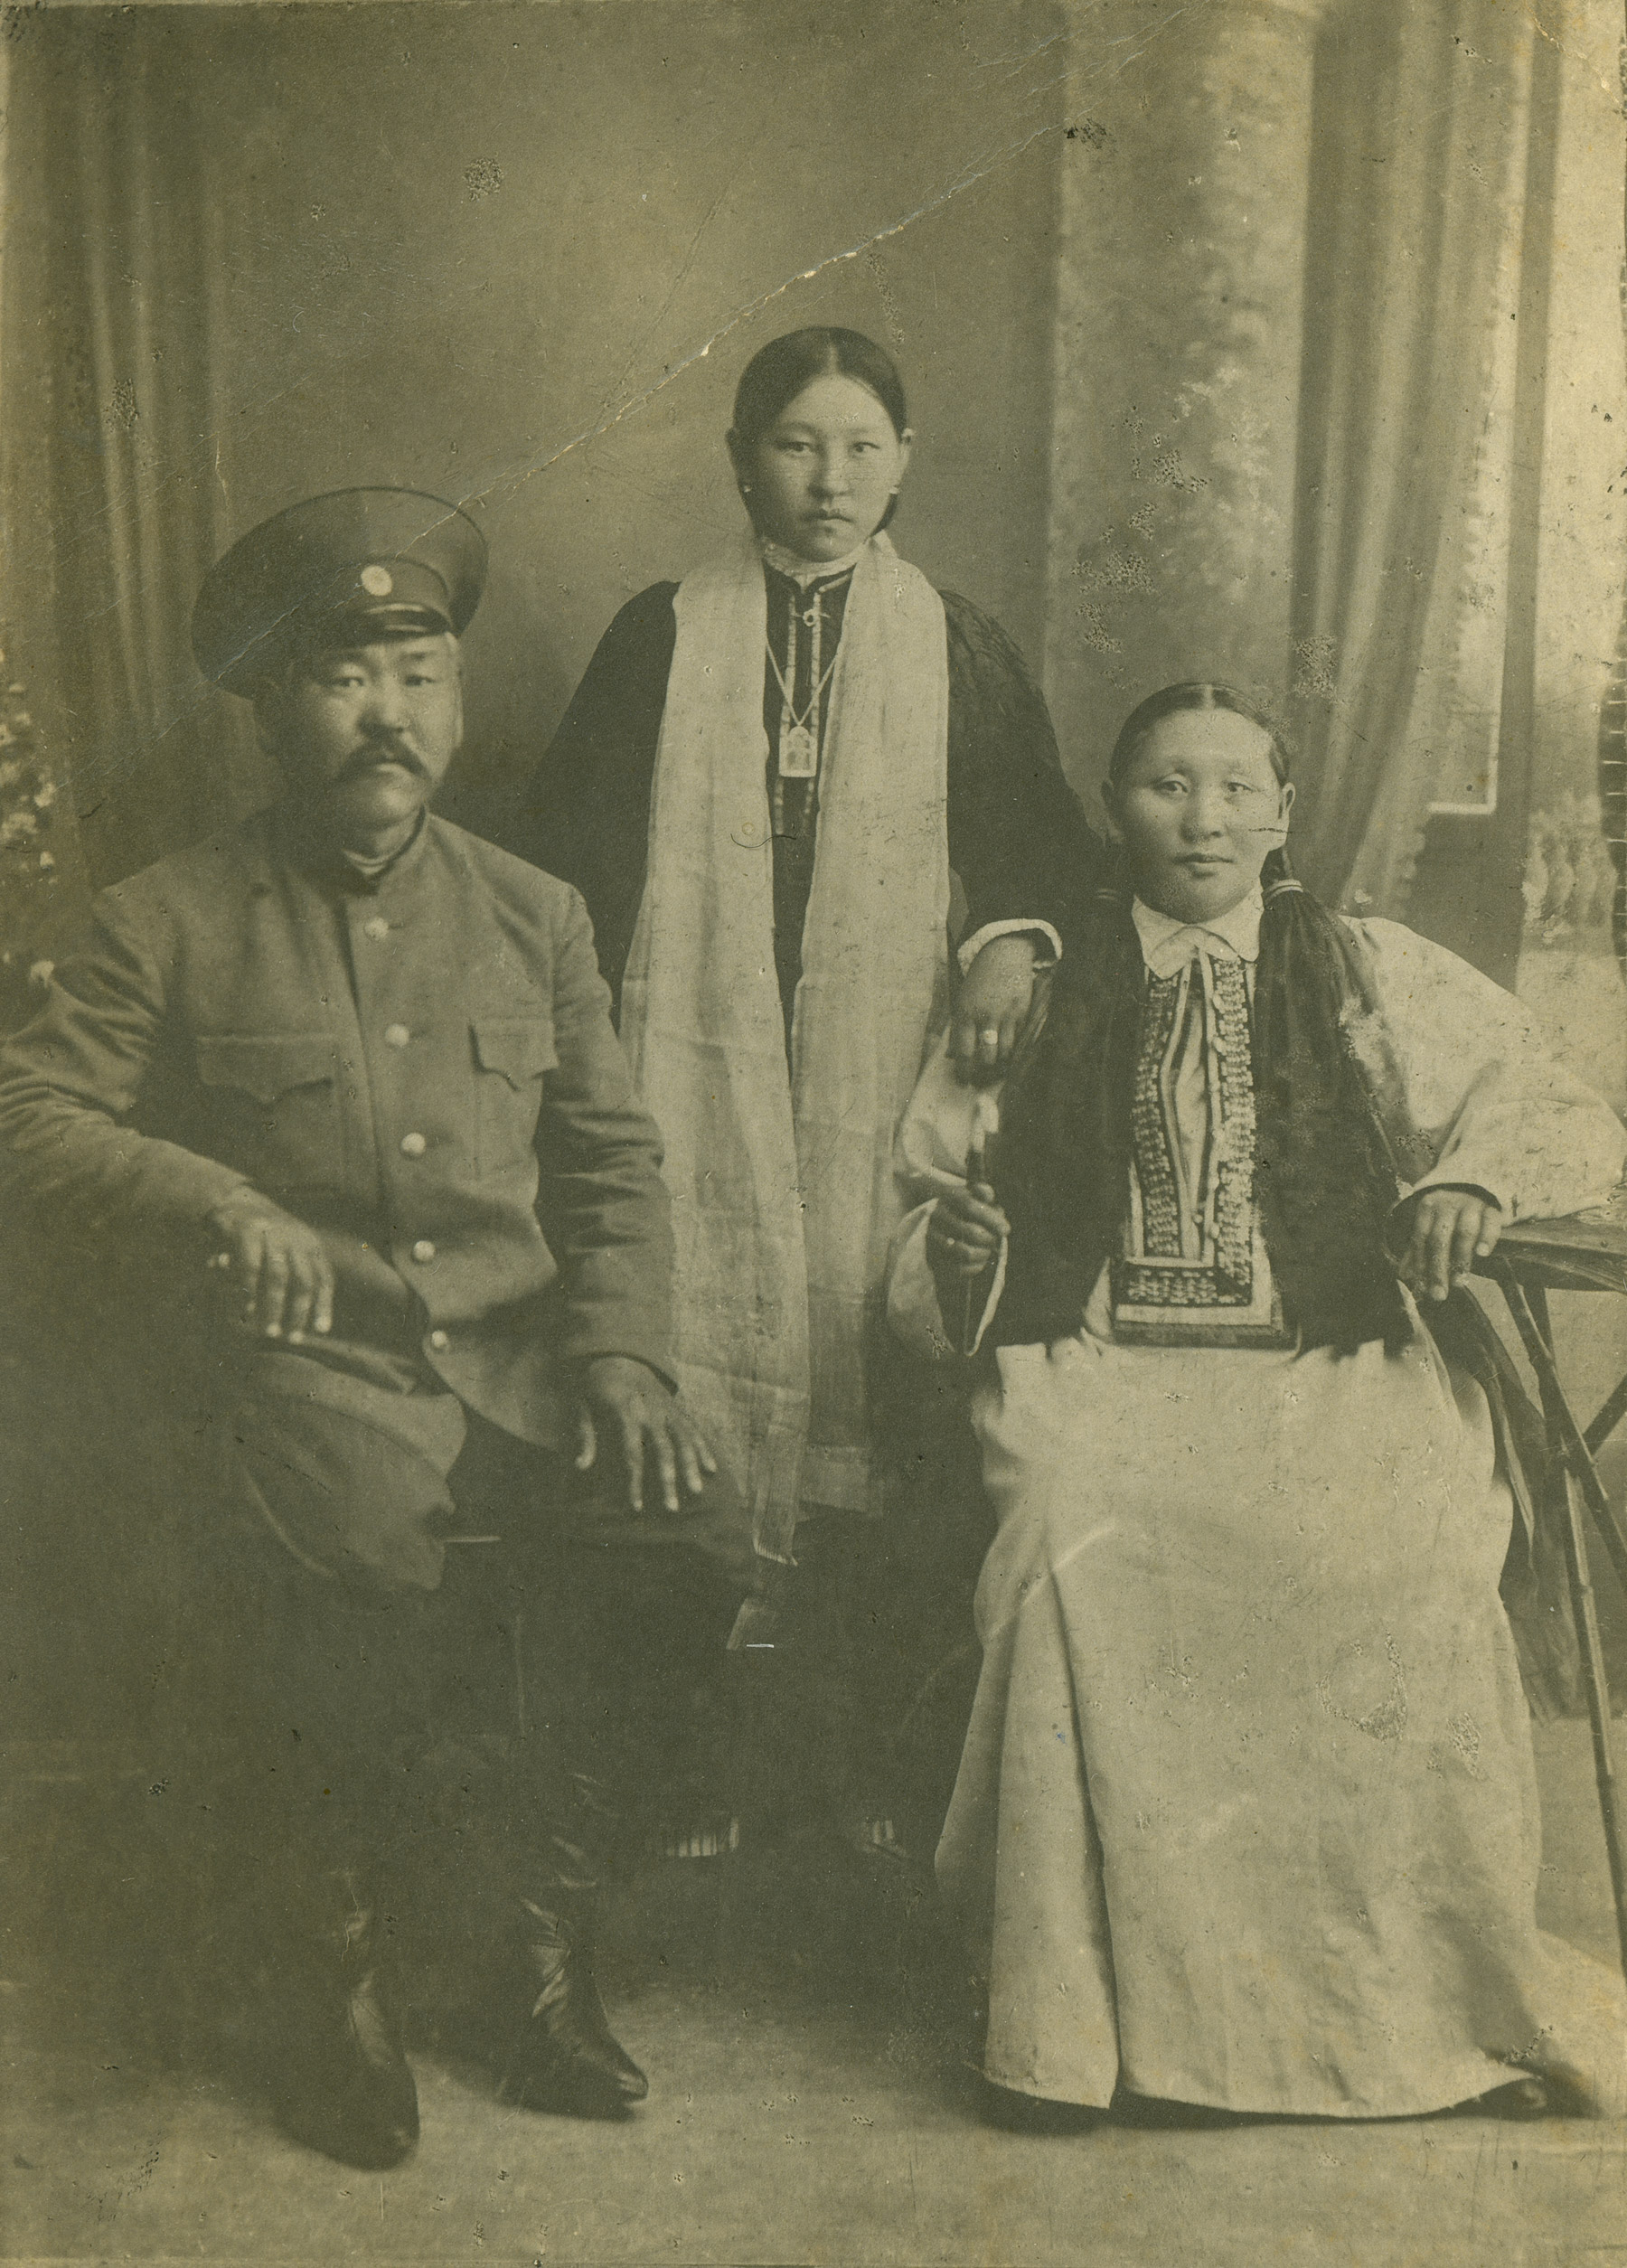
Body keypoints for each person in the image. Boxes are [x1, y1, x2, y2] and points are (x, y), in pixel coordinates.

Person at [0, 489, 748, 2169]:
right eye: (345, 679)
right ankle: (325, 1971)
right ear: (274, 708)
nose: (386, 715)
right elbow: (25, 1112)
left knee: (687, 1533)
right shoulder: (164, 915)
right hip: (306, 1364)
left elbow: (610, 1166)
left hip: (529, 1358)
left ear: (457, 702)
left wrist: (626, 1357)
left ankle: (526, 1948)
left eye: (418, 674)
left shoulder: (536, 912)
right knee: (348, 1567)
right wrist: (219, 1200)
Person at [886, 680, 1627, 2126]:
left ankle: (1411, 2011)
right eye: (1168, 784)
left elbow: (1551, 1101)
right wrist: (956, 1252)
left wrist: (1472, 1177)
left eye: (1236, 788)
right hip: (1098, 1358)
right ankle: (1078, 2029)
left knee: (1414, 1545)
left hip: (1333, 1358)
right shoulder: (1040, 982)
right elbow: (924, 1198)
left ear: (1284, 812)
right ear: (1117, 810)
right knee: (1075, 1537)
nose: (1203, 818)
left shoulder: (1363, 966)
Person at [508, 327, 1105, 1840]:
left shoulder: (955, 642)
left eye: (860, 448)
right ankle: (672, 1775)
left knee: (871, 1359)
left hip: (883, 1058)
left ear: (903, 465)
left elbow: (1039, 853)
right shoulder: (662, 633)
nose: (829, 479)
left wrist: (1009, 941)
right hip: (689, 1050)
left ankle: (852, 1788)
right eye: (795, 445)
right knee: (682, 1336)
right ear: (739, 462)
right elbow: (562, 870)